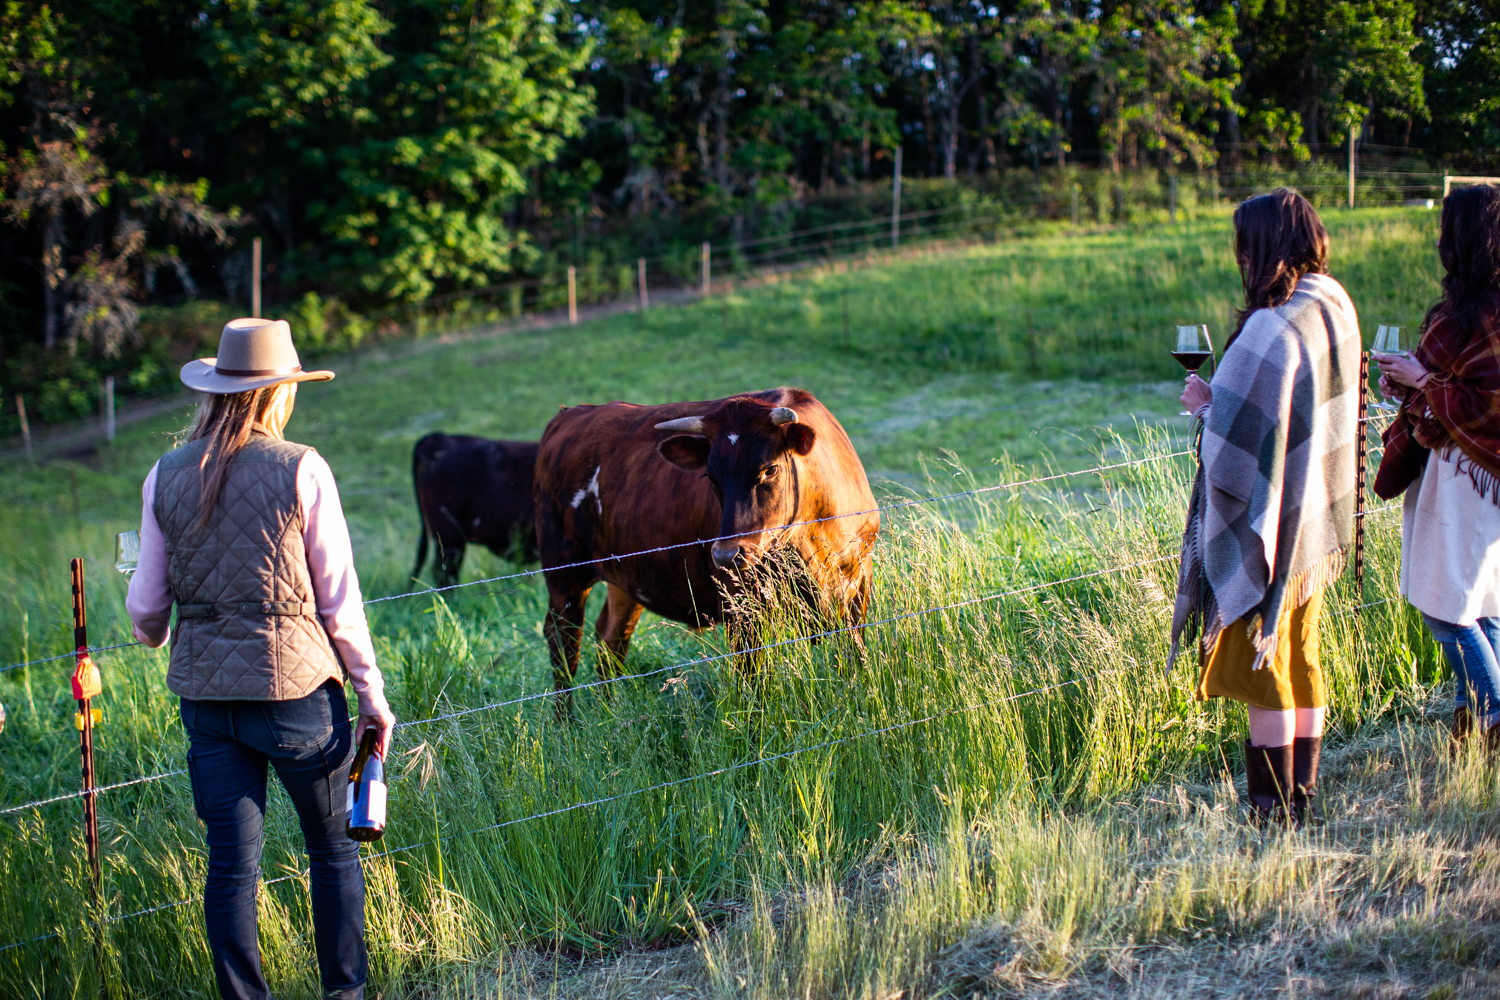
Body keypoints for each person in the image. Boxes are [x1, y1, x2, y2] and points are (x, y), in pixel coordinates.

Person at [126, 317, 396, 1000]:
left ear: (217, 389)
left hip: (208, 703)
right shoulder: (302, 466)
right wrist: (371, 694)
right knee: (333, 854)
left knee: (230, 869)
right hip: (300, 694)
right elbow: (339, 600)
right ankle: (344, 994)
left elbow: (147, 609)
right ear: (279, 392)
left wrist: (156, 636)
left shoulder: (165, 473)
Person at [1169, 188, 1362, 825]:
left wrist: (1204, 408)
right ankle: (1301, 794)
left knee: (1260, 664)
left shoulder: (1269, 327)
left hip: (1269, 532)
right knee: (1301, 654)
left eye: (1243, 245)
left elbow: (1236, 441)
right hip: (1315, 521)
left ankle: (1272, 809)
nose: (1239, 257)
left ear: (1264, 247)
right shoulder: (1331, 301)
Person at [1374, 184, 1500, 752]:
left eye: (1446, 228)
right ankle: (1472, 729)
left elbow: (1467, 399)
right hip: (1489, 480)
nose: (1437, 238)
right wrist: (1411, 381)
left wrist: (1418, 381)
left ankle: (1495, 713)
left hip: (1461, 480)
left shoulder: (1460, 319)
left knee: (1444, 605)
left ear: (1464, 240)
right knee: (1484, 604)